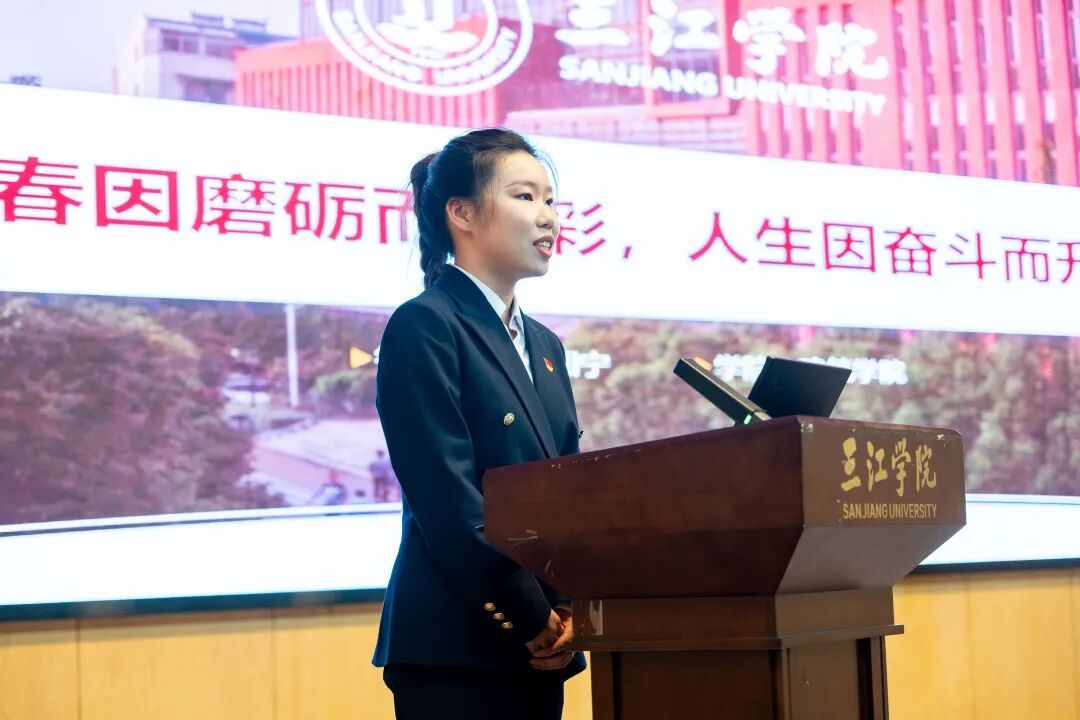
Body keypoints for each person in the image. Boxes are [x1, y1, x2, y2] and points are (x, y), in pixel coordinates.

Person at [373, 128, 585, 720]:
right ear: (462, 213)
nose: (547, 217)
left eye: (550, 200)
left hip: (544, 649)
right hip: (458, 649)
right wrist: (532, 617)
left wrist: (569, 608)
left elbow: (564, 487)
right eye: (525, 197)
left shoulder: (544, 344)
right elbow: (447, 497)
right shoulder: (425, 324)